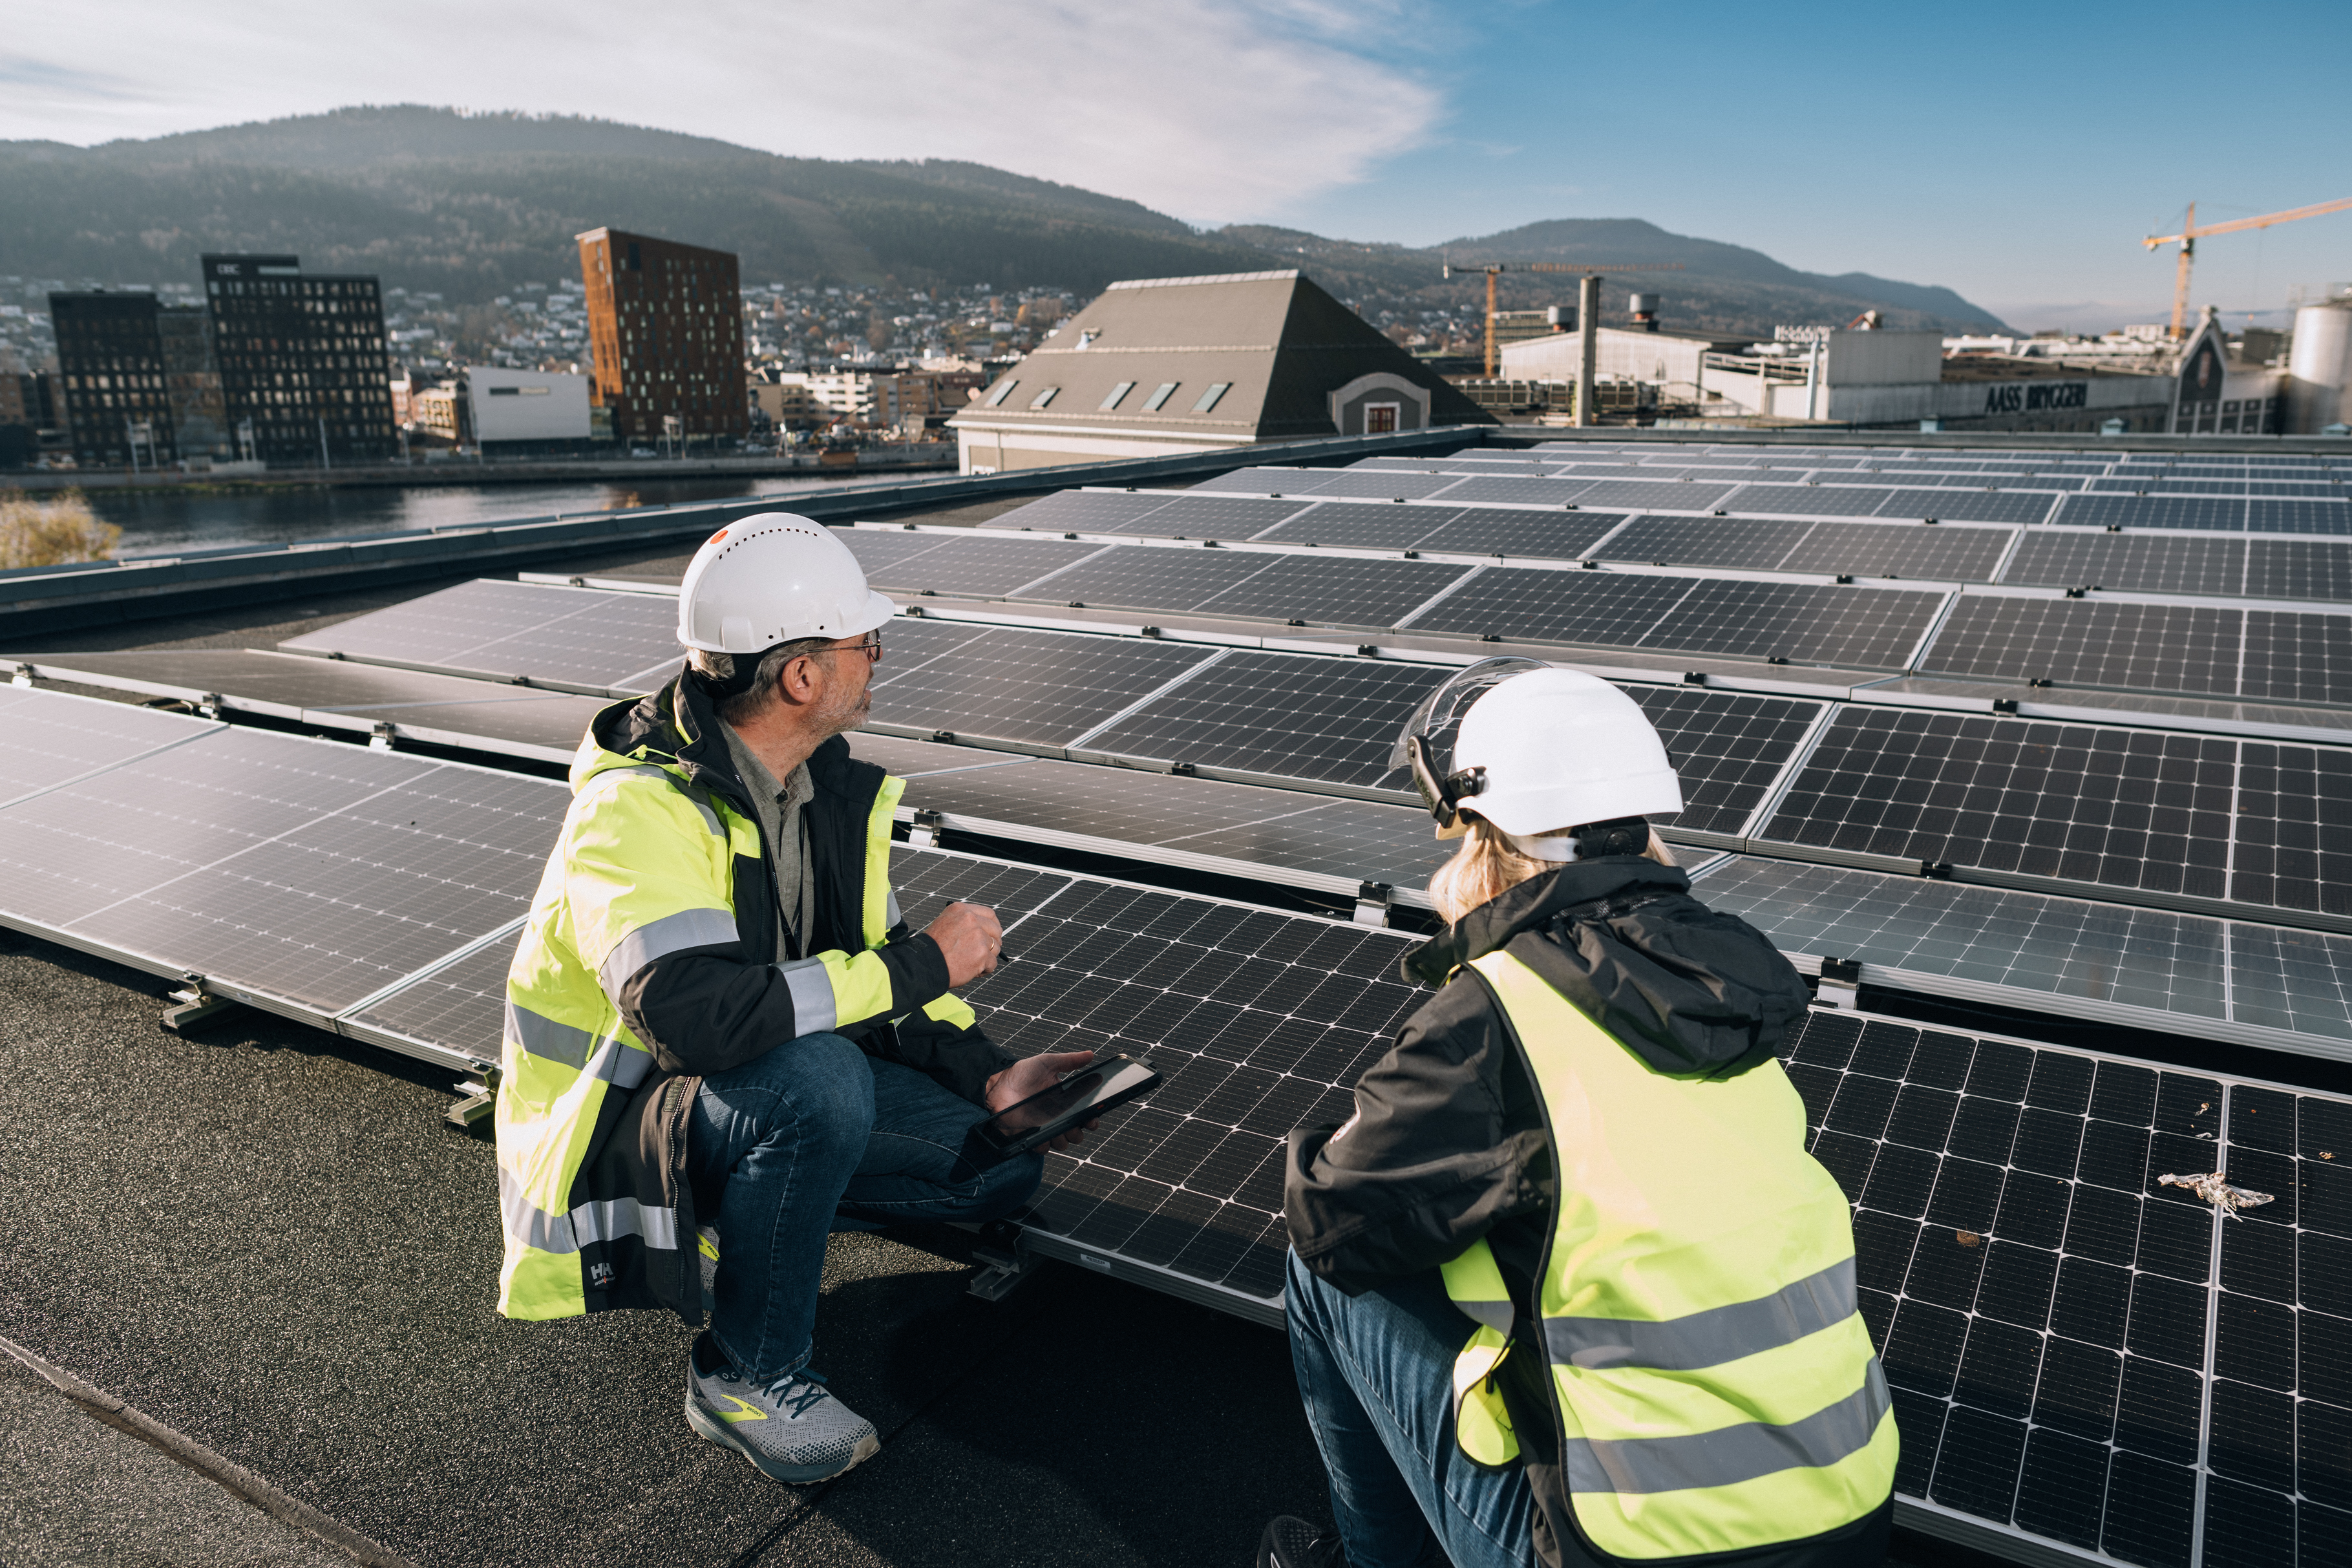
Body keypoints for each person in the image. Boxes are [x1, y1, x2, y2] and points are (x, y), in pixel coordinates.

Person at [493, 513, 1095, 1485]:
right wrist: (925, 967)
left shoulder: (821, 790)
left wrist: (989, 1074)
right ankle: (743, 1372)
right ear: (802, 676)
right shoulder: (640, 808)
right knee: (820, 1085)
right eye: (865, 643)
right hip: (618, 1130)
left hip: (728, 1099)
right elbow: (696, 1018)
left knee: (993, 1172)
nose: (879, 657)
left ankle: (764, 1202)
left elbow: (872, 964)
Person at [1261, 662, 1895, 1568]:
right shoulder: (1733, 985)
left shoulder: (1497, 1016)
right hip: (1849, 1516)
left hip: (1628, 1552)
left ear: (1482, 837)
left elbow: (1330, 1219)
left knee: (1322, 1276)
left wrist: (1340, 1148)